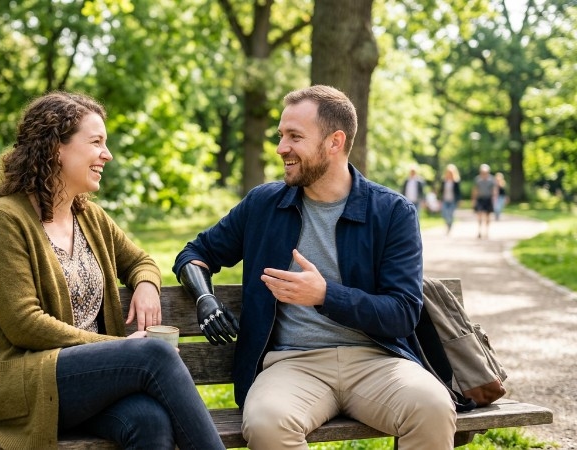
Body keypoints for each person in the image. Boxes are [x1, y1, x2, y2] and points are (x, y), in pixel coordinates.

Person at [173, 85, 456, 450]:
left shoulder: (391, 212)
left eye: (294, 137)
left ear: (335, 142)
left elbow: (402, 313)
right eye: (281, 136)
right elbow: (195, 253)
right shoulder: (263, 205)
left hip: (375, 361)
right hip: (291, 365)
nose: (281, 148)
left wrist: (325, 295)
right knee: (267, 423)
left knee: (432, 407)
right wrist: (204, 298)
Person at [0, 92, 225, 450]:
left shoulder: (88, 216)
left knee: (149, 422)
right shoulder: (4, 221)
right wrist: (121, 349)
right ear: (57, 148)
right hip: (23, 383)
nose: (108, 154)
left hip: (85, 383)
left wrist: (146, 283)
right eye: (96, 142)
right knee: (155, 354)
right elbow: (24, 324)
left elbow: (141, 261)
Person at [472, 163, 497, 239]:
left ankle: (487, 231)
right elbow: (475, 190)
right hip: (480, 199)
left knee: (488, 216)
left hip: (488, 199)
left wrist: (494, 199)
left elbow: (494, 190)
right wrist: (473, 200)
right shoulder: (478, 180)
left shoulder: (491, 180)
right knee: (479, 215)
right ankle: (479, 231)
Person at [439, 163, 462, 234]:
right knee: (445, 213)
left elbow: (458, 192)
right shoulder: (444, 181)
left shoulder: (456, 182)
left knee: (450, 214)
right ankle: (447, 224)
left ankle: (449, 226)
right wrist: (439, 199)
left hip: (453, 200)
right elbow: (440, 191)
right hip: (445, 200)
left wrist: (459, 200)